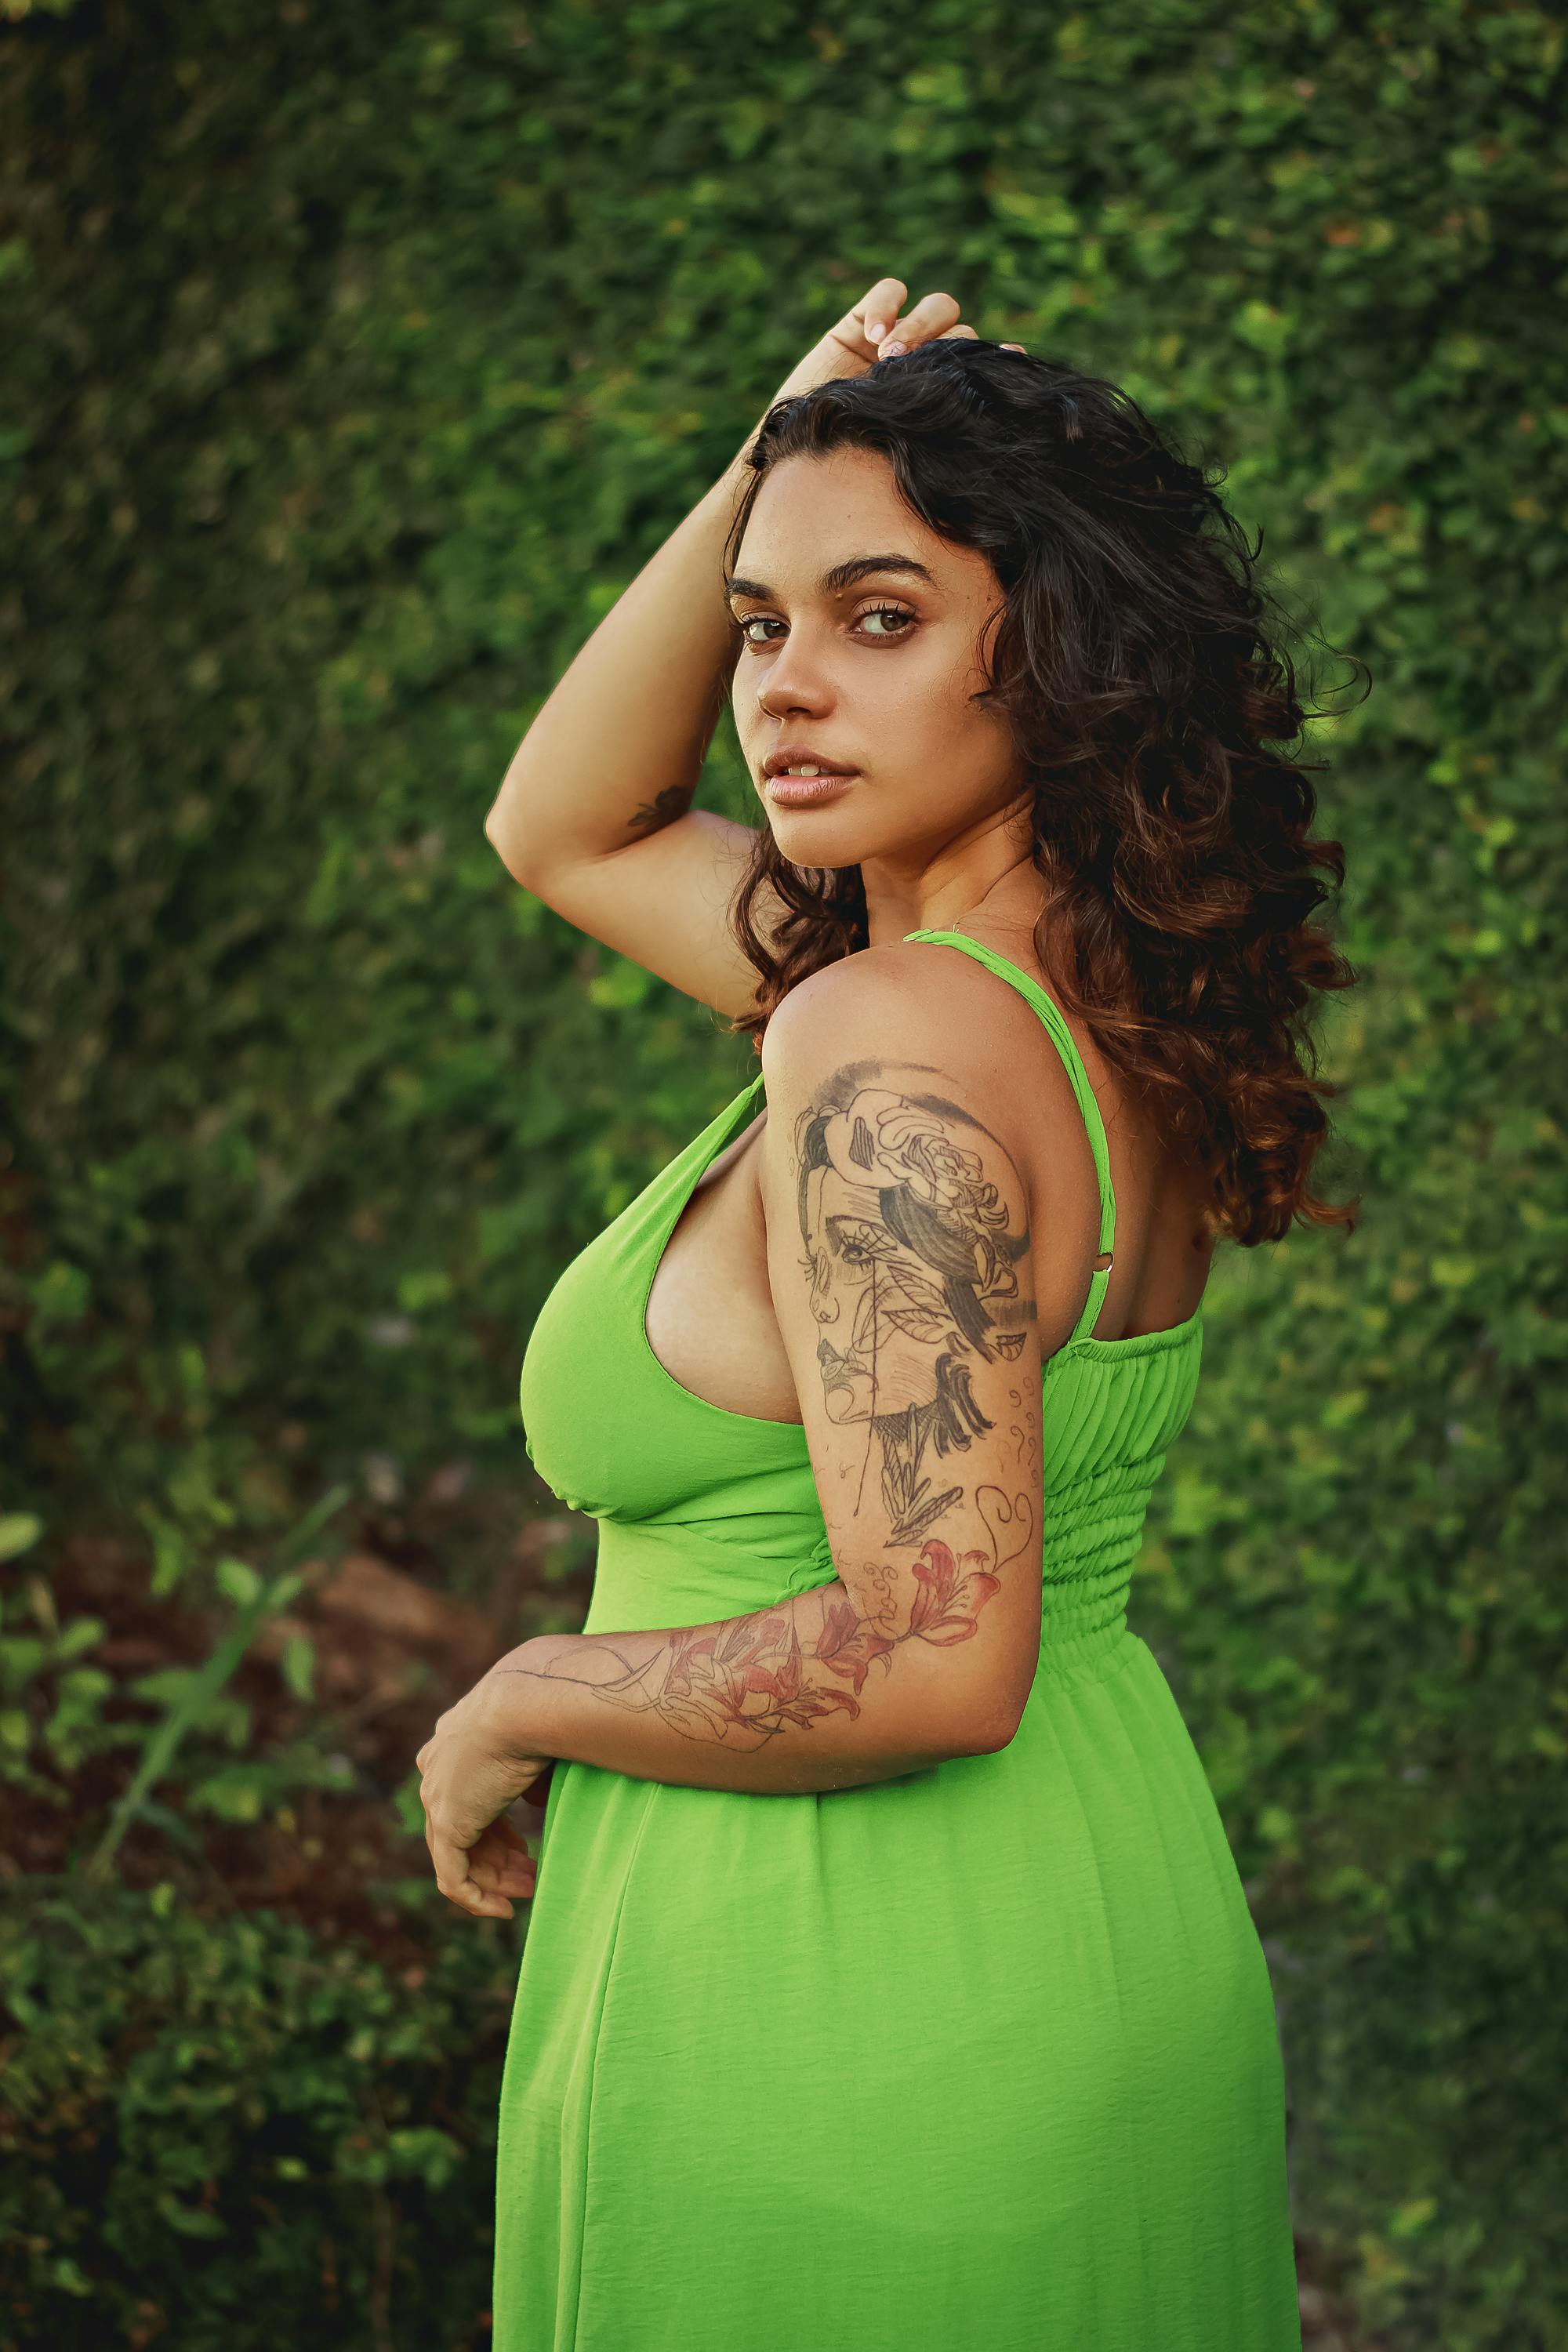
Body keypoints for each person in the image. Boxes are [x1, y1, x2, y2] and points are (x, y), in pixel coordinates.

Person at [416, 276, 1358, 2350]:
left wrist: (516, 1696)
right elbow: (556, 828)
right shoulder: (1096, 1012)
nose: (782, 693)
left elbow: (935, 1661)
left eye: (881, 617)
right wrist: (773, 459)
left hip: (861, 2019)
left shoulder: (888, 1043)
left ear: (1060, 658)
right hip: (1097, 1916)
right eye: (762, 629)